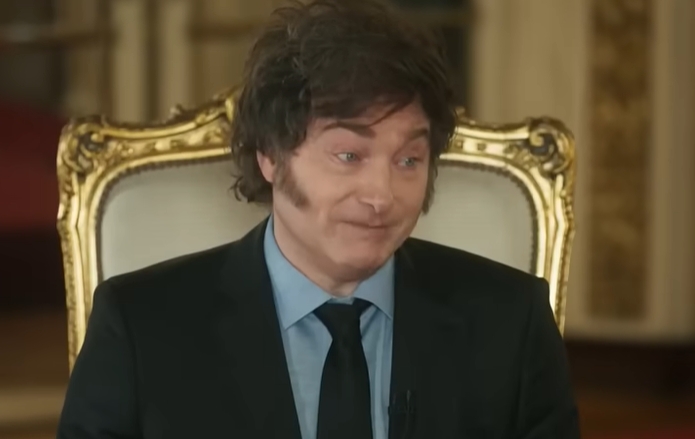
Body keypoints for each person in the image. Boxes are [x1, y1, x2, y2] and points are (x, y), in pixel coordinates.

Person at [57, 0, 580, 438]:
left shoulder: (511, 323)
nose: (382, 196)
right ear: (270, 155)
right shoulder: (141, 328)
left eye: (408, 160)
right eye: (349, 155)